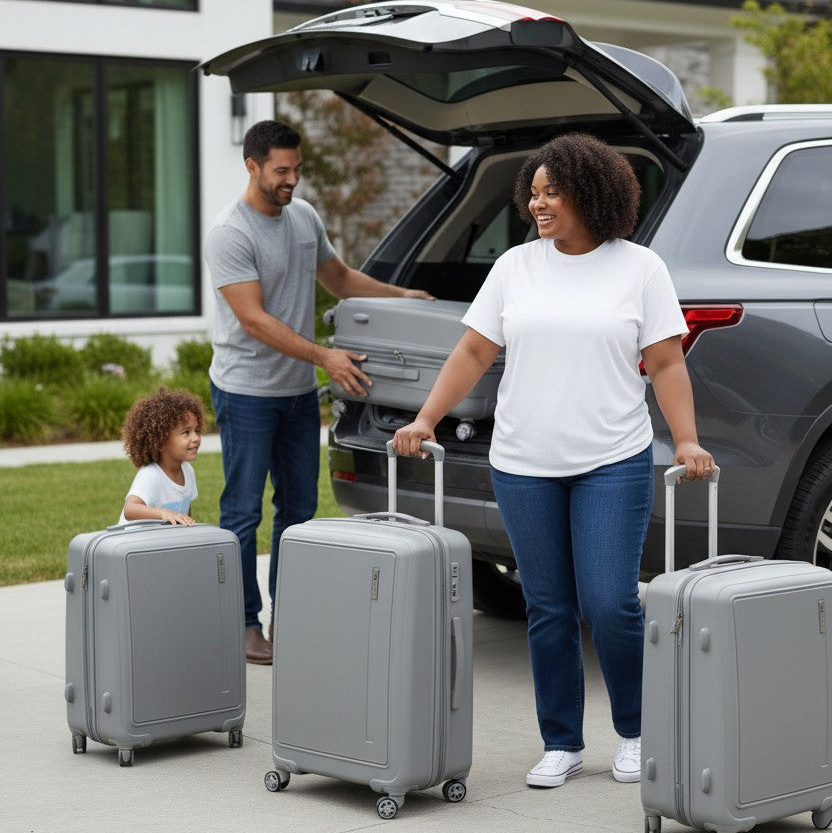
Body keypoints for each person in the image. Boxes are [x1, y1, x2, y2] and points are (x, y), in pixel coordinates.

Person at [393, 132, 714, 788]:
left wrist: (685, 439)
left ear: (590, 193)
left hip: (611, 460)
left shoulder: (640, 269)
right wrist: (426, 417)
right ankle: (561, 741)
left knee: (610, 602)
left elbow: (665, 363)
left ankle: (637, 731)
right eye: (533, 193)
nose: (538, 204)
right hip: (523, 462)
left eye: (552, 192)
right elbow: (474, 352)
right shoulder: (516, 267)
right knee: (547, 606)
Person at [205, 118, 434, 665]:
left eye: (297, 170)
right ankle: (243, 623)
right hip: (246, 391)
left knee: (300, 509)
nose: (292, 180)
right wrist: (325, 357)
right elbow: (254, 320)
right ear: (252, 166)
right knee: (242, 511)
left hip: (297, 393)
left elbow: (341, 279)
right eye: (281, 171)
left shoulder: (303, 217)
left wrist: (402, 297)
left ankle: (290, 617)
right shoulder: (230, 233)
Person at [119, 387, 205, 526]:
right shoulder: (151, 475)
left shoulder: (188, 471)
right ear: (161, 441)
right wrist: (164, 513)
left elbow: (185, 510)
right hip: (133, 539)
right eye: (186, 432)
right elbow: (130, 510)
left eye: (197, 431)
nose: (196, 438)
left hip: (161, 539)